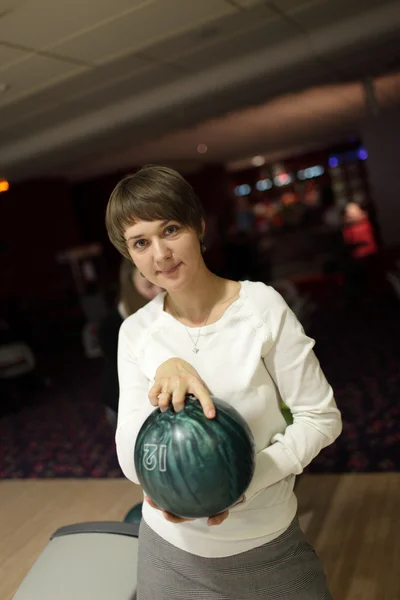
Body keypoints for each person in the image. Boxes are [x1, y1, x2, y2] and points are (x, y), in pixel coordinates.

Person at [105, 165, 342, 600]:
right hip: (169, 555)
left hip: (267, 546)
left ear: (198, 226)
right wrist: (167, 367)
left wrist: (240, 485)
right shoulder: (136, 333)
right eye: (141, 242)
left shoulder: (261, 307)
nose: (160, 254)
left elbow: (320, 418)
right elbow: (127, 453)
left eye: (170, 229)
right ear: (130, 254)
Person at [98, 258, 161, 424]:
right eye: (149, 286)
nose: (159, 290)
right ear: (132, 289)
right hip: (125, 403)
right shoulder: (112, 326)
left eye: (160, 281)